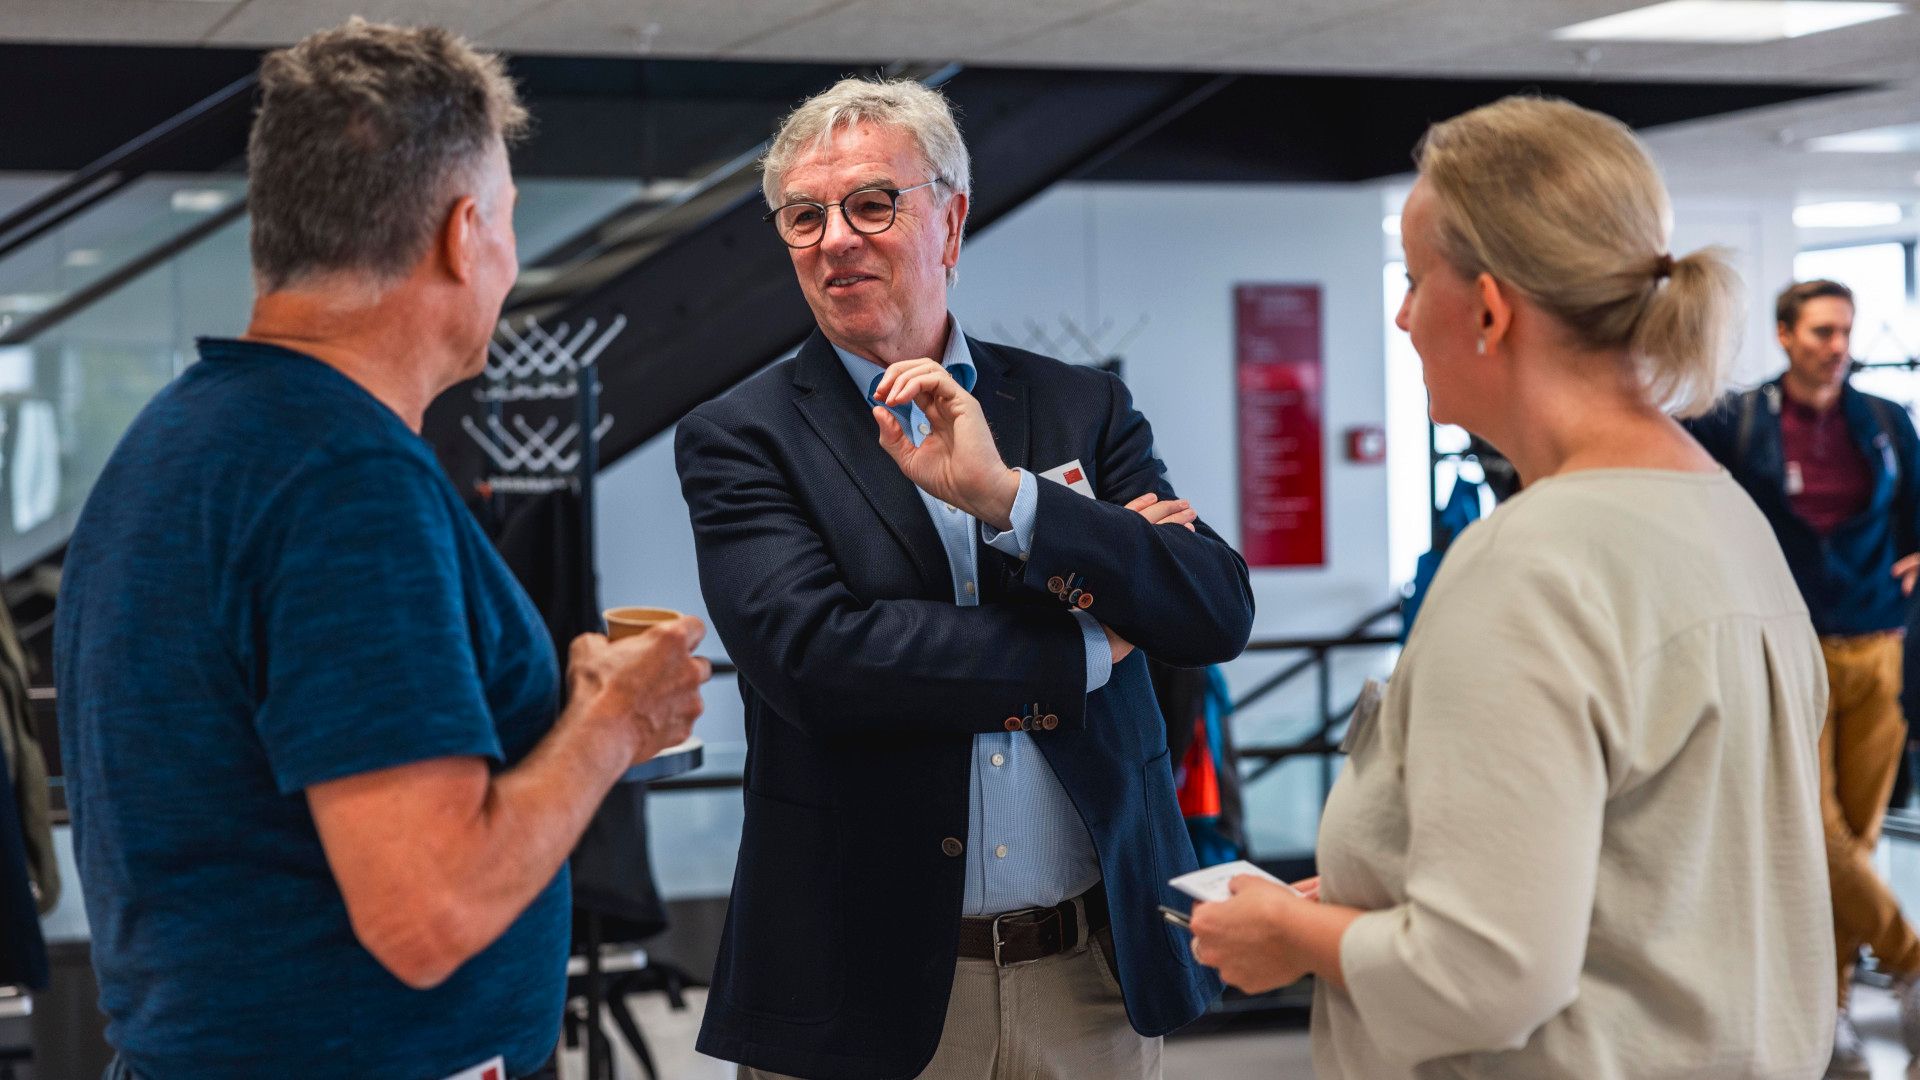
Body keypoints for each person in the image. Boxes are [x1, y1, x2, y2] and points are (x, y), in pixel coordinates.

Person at [54, 20, 710, 1080]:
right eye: (508, 218)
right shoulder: (343, 480)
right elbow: (427, 910)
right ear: (463, 234)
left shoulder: (181, 437)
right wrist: (612, 725)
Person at [1187, 95, 1833, 1079]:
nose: (1402, 317)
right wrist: (1368, 904)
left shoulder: (1529, 564)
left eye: (1414, 282)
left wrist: (1291, 937)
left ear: (1490, 310)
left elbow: (1484, 975)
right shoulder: (1728, 519)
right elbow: (1652, 880)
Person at [675, 77, 1254, 1080]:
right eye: (804, 217)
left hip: (1091, 974)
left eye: (872, 204)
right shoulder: (743, 438)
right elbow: (818, 660)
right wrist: (1090, 641)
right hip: (861, 983)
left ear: (951, 222)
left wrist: (1013, 500)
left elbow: (1209, 607)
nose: (835, 239)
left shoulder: (1079, 407)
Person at [1688, 277, 1920, 1074]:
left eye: (1846, 331)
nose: (1838, 346)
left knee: (1857, 833)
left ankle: (1832, 1010)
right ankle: (1911, 958)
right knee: (1814, 830)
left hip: (1876, 644)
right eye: (1822, 331)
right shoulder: (1739, 421)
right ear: (1785, 335)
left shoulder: (1884, 421)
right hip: (1786, 644)